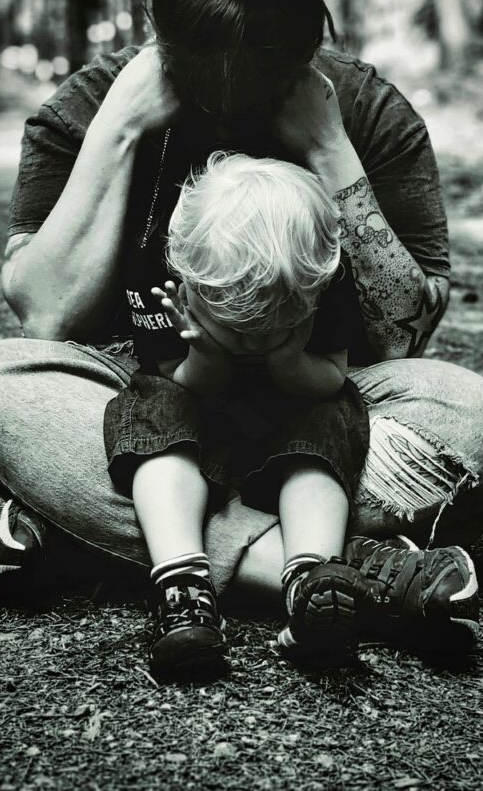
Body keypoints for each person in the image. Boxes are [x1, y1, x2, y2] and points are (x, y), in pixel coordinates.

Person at [0, 0, 483, 658]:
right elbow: (48, 317)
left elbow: (400, 342)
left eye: (257, 78)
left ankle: (107, 542)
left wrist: (330, 148)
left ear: (306, 48)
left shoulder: (366, 112)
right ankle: (323, 569)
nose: (224, 100)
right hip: (147, 406)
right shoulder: (92, 106)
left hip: (317, 414)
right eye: (198, 76)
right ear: (161, 41)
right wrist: (118, 129)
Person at [104, 151, 370, 679]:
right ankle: (182, 589)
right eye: (236, 323)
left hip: (289, 415)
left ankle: (309, 582)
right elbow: (178, 382)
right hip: (200, 413)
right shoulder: (162, 281)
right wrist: (206, 352)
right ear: (190, 284)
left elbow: (332, 378)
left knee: (331, 416)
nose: (253, 338)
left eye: (275, 321)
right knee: (154, 405)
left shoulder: (332, 281)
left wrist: (288, 358)